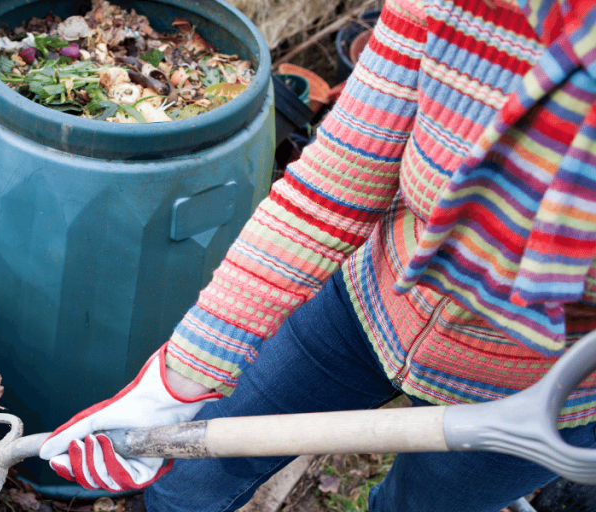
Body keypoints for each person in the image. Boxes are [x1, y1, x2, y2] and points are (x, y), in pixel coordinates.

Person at [37, 0, 596, 510]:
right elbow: (332, 190)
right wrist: (174, 383)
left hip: (541, 384)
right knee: (186, 488)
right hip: (368, 302)